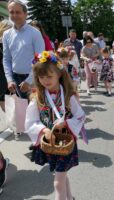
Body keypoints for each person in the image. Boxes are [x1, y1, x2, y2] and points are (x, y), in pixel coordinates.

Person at [25, 51, 85, 200]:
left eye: (49, 76)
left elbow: (80, 116)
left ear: (59, 73)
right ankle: (70, 197)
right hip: (51, 144)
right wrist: (44, 129)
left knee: (58, 182)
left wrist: (66, 123)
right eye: (41, 77)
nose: (45, 80)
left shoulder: (68, 96)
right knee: (61, 175)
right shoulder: (37, 98)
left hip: (66, 143)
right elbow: (30, 121)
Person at [3, 0, 45, 139]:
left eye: (18, 12)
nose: (14, 15)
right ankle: (33, 139)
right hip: (15, 79)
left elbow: (40, 59)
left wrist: (29, 80)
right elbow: (6, 59)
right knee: (22, 112)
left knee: (37, 111)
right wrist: (9, 79)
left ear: (25, 14)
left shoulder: (34, 33)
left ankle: (41, 142)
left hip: (34, 78)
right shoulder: (7, 35)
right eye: (11, 12)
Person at [0, 20, 12, 111]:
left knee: (7, 95)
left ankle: (9, 119)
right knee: (3, 94)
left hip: (9, 72)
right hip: (2, 73)